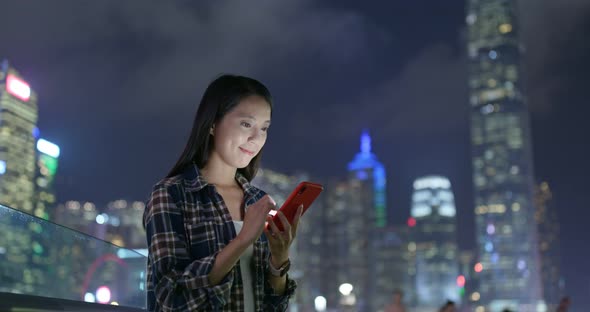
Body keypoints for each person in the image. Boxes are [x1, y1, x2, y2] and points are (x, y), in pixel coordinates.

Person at [143, 74, 300, 311]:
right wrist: (242, 240)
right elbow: (170, 296)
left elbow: (274, 305)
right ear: (213, 123)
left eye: (264, 128)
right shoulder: (171, 195)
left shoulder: (258, 201)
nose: (256, 138)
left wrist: (279, 260)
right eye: (246, 124)